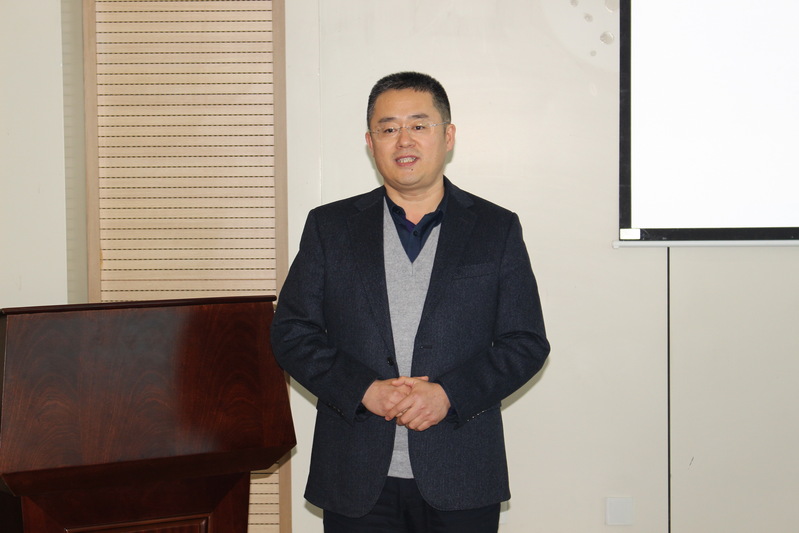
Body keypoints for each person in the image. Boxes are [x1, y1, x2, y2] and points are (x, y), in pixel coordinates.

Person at [271, 71, 550, 533]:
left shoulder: (496, 228)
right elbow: (291, 332)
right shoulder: (329, 227)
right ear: (370, 142)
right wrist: (364, 390)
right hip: (355, 474)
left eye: (419, 125)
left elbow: (525, 342)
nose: (404, 140)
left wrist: (449, 395)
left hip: (461, 472)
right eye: (388, 128)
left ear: (448, 136)